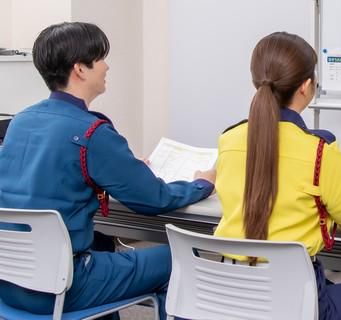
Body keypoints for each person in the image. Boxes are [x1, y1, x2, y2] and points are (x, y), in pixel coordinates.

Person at [0, 22, 215, 318]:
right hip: (64, 287)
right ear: (80, 69)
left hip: (11, 286)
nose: (107, 66)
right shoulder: (91, 133)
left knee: (102, 242)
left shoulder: (20, 122)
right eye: (101, 58)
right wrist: (202, 184)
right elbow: (153, 199)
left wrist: (123, 169)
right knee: (177, 259)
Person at [206, 31, 341, 320]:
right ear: (306, 86)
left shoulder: (228, 140)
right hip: (294, 301)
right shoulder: (319, 151)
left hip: (231, 295)